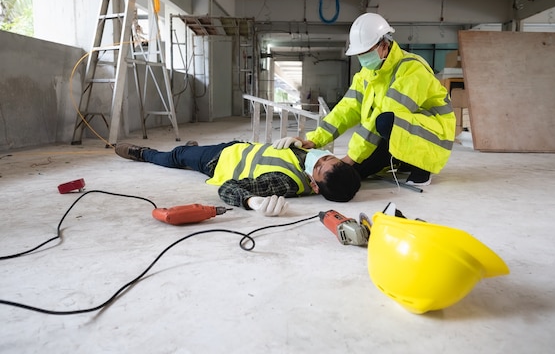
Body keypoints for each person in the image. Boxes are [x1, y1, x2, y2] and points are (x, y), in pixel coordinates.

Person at [274, 12, 456, 186]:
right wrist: (314, 140)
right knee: (355, 172)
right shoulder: (367, 74)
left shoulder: (412, 71)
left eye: (366, 52)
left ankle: (422, 166)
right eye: (360, 54)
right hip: (405, 128)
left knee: (385, 122)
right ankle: (403, 160)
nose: (362, 58)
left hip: (434, 135)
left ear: (384, 45)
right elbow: (346, 108)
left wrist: (350, 158)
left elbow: (383, 115)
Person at [114, 141, 361, 216]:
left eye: (318, 165)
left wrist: (252, 201)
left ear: (314, 186)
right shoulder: (325, 169)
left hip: (219, 160)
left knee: (177, 155)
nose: (321, 157)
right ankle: (191, 149)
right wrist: (300, 143)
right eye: (329, 158)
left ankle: (144, 153)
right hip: (239, 145)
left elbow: (229, 188)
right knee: (189, 151)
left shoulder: (284, 182)